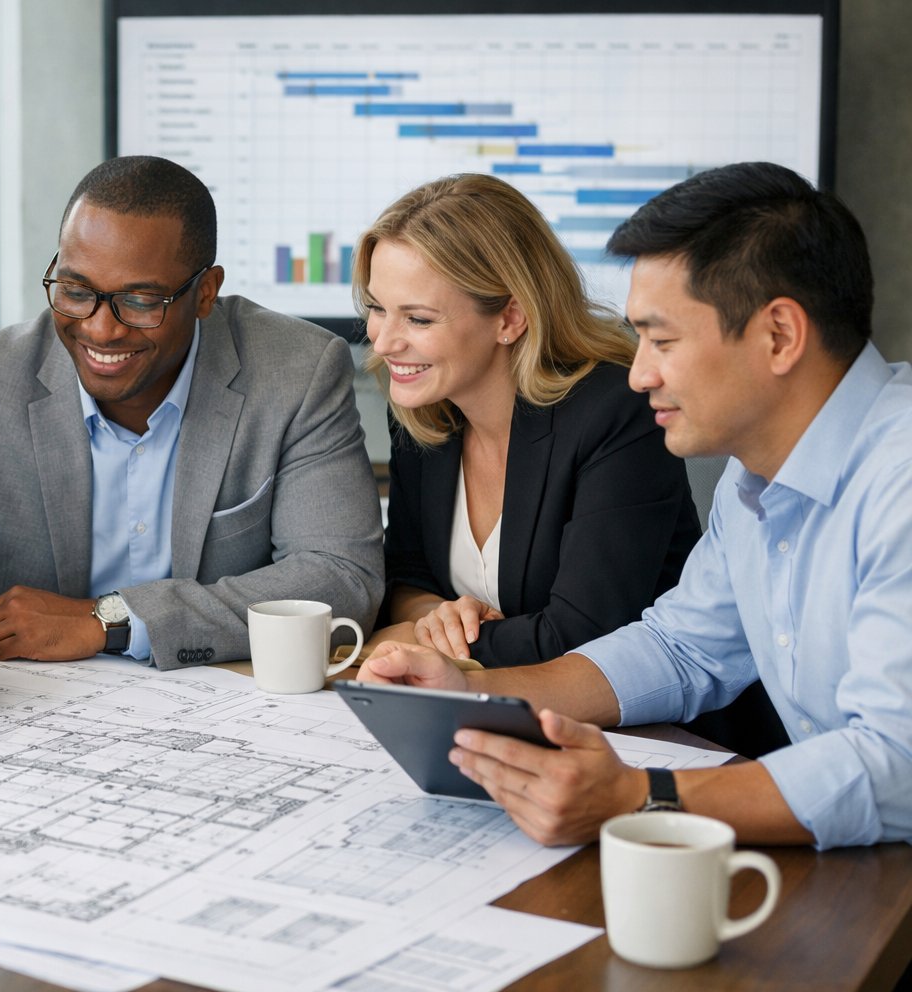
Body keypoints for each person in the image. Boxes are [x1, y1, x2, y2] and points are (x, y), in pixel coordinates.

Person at [357, 162, 912, 850]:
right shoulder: (756, 482)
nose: (641, 372)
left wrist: (640, 798)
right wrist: (470, 694)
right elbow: (677, 650)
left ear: (779, 336)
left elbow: (897, 767)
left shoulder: (900, 481)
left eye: (664, 340)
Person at [0, 154, 383, 704]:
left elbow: (339, 576)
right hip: (30, 716)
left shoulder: (297, 372)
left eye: (140, 300)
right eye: (76, 291)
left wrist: (108, 619)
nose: (100, 329)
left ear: (206, 292)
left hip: (233, 715)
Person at [357, 173, 700, 667]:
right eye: (376, 308)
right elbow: (407, 571)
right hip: (484, 709)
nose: (385, 341)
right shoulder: (425, 408)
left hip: (648, 733)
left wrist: (415, 642)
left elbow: (582, 635)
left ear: (510, 318)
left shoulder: (618, 414)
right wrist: (434, 614)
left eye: (418, 319)